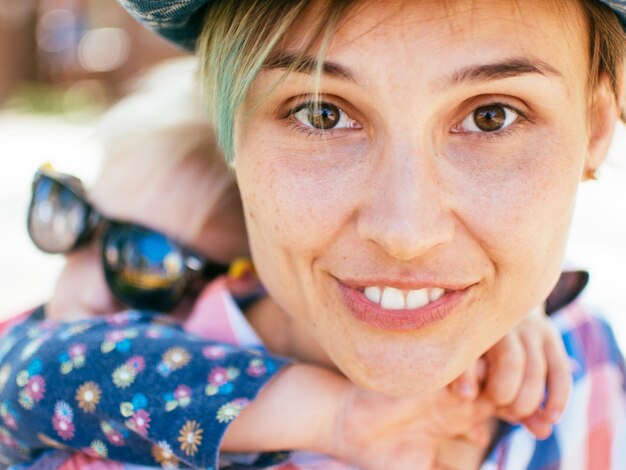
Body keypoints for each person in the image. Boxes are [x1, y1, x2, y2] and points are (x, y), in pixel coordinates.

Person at [119, 0, 626, 468]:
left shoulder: (589, 357)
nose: (405, 234)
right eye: (322, 112)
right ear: (228, 128)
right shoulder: (107, 429)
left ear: (596, 129)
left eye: (491, 117)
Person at [0, 57, 572, 469]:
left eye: (152, 266)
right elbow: (41, 371)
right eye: (72, 217)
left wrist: (506, 311)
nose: (92, 279)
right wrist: (333, 416)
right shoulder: (28, 347)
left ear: (242, 288)